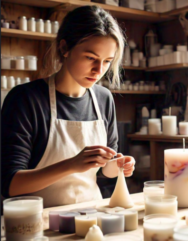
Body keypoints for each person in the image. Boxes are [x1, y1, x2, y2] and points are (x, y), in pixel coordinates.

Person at [1, 6, 135, 208]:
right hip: (38, 222)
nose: (99, 70)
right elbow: (10, 184)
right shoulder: (25, 99)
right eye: (90, 57)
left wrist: (119, 165)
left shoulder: (104, 99)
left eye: (107, 61)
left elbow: (106, 170)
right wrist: (72, 165)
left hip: (91, 216)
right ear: (64, 48)